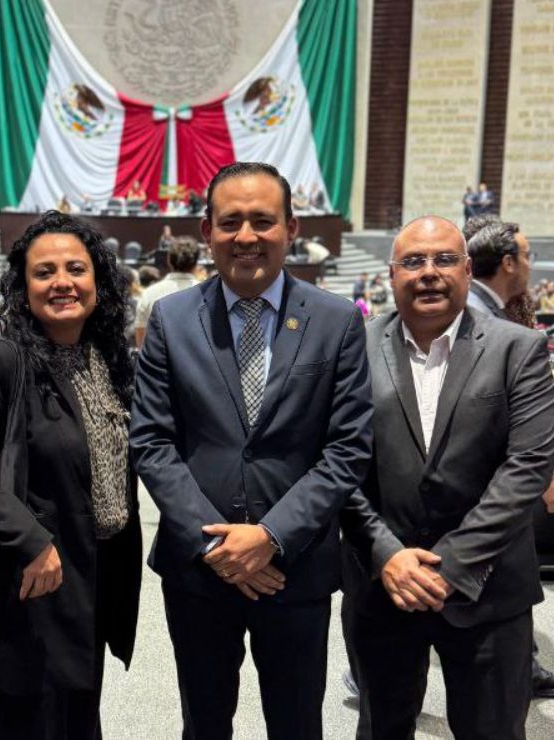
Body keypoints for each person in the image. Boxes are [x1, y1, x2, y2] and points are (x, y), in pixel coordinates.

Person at [130, 162, 373, 739]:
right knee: (204, 723)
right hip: (199, 570)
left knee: (296, 725)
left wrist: (268, 538)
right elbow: (152, 441)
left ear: (291, 228)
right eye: (231, 221)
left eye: (262, 221)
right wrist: (220, 545)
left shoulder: (338, 321)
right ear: (206, 229)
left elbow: (347, 448)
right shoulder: (171, 318)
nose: (246, 236)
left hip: (296, 567)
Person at [0, 211, 141, 738]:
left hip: (85, 591)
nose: (62, 282)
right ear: (23, 289)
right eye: (44, 272)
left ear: (99, 282)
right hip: (20, 598)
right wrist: (30, 540)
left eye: (76, 269)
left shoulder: (104, 361)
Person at [341, 216, 554, 740]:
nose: (429, 273)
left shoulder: (518, 348)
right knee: (381, 729)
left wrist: (451, 567)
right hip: (382, 584)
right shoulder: (353, 348)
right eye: (413, 262)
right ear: (390, 276)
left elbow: (528, 466)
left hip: (489, 588)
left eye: (444, 259)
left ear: (466, 269)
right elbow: (336, 461)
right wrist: (386, 554)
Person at [459, 216, 554, 699]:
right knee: (501, 578)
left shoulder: (489, 311)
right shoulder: (481, 318)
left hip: (487, 477)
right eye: (526, 256)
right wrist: (544, 474)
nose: (531, 265)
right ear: (507, 261)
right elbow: (495, 414)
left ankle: (521, 664)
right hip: (486, 479)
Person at [135, 236, 201, 346]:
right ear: (196, 263)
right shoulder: (209, 293)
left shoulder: (149, 294)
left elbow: (141, 343)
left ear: (169, 260)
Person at [463, 215, 530, 319]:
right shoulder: (475, 314)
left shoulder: (515, 302)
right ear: (508, 263)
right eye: (527, 256)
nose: (529, 265)